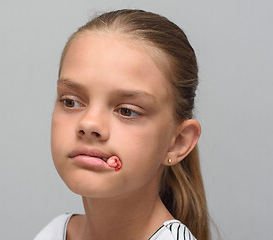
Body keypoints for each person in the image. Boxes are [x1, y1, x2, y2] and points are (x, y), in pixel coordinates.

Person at [35, 9, 210, 240]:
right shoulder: (54, 233)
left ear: (178, 142)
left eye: (127, 111)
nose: (89, 123)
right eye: (71, 101)